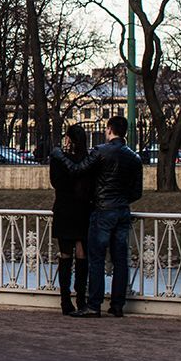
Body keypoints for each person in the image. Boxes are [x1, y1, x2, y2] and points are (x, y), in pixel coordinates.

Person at [50, 114, 144, 318]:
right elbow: (137, 192)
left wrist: (58, 155)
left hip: (102, 210)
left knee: (97, 258)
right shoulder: (134, 158)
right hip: (122, 211)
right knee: (120, 259)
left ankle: (94, 304)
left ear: (109, 129)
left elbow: (76, 169)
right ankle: (117, 305)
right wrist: (121, 200)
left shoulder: (101, 152)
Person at [49, 124, 93, 314]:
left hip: (64, 209)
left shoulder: (59, 159)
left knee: (65, 254)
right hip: (83, 209)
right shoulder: (88, 159)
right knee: (82, 253)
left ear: (68, 139)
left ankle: (65, 300)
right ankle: (81, 299)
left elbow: (55, 182)